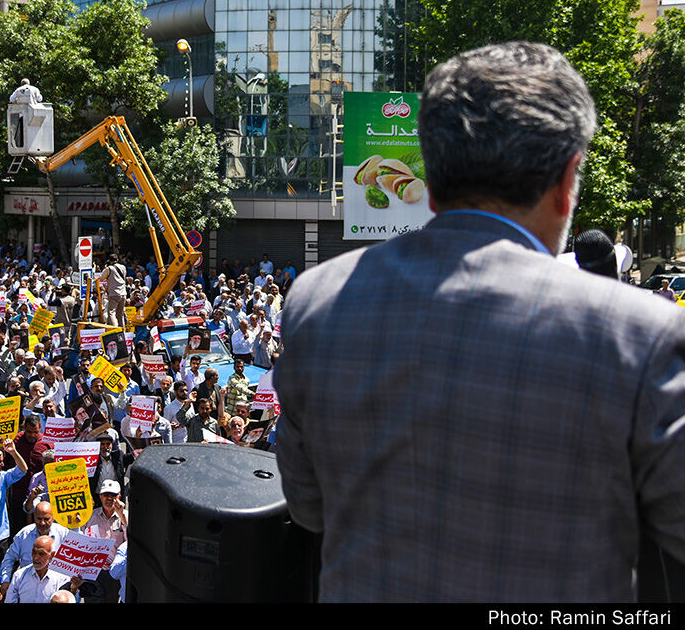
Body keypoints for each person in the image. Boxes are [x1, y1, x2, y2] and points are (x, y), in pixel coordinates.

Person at [274, 41, 685, 601]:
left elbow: (307, 508)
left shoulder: (315, 303)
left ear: (433, 180)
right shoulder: (641, 337)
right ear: (568, 182)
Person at [0, 502, 68, 598]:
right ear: (34, 516)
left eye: (46, 519)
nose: (42, 523)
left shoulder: (64, 534)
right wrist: (5, 580)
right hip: (27, 589)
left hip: (54, 589)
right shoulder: (24, 535)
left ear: (54, 517)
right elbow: (9, 557)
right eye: (39, 519)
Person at [2, 535, 81, 603]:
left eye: (41, 554)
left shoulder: (61, 579)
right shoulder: (20, 576)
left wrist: (73, 590)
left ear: (52, 555)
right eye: (34, 552)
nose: (36, 558)